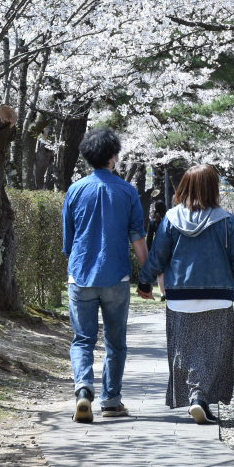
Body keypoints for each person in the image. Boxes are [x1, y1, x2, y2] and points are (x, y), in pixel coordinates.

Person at [137, 165, 234, 424]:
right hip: (218, 295)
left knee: (184, 350)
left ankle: (194, 396)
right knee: (214, 350)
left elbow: (157, 257)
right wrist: (232, 282)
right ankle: (200, 398)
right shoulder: (228, 221)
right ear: (214, 188)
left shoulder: (170, 219)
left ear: (184, 187)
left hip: (179, 297)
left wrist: (145, 283)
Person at [62, 127, 148, 423]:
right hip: (116, 277)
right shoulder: (127, 191)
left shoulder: (74, 190)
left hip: (81, 275)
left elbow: (68, 242)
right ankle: (111, 401)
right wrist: (146, 277)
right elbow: (137, 237)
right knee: (115, 342)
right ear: (113, 156)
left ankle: (83, 391)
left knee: (82, 340)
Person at [146, 200, 167, 301]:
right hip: (169, 247)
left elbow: (149, 238)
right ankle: (169, 291)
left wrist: (149, 252)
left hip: (158, 249)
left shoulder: (152, 221)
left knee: (160, 273)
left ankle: (163, 294)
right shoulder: (168, 219)